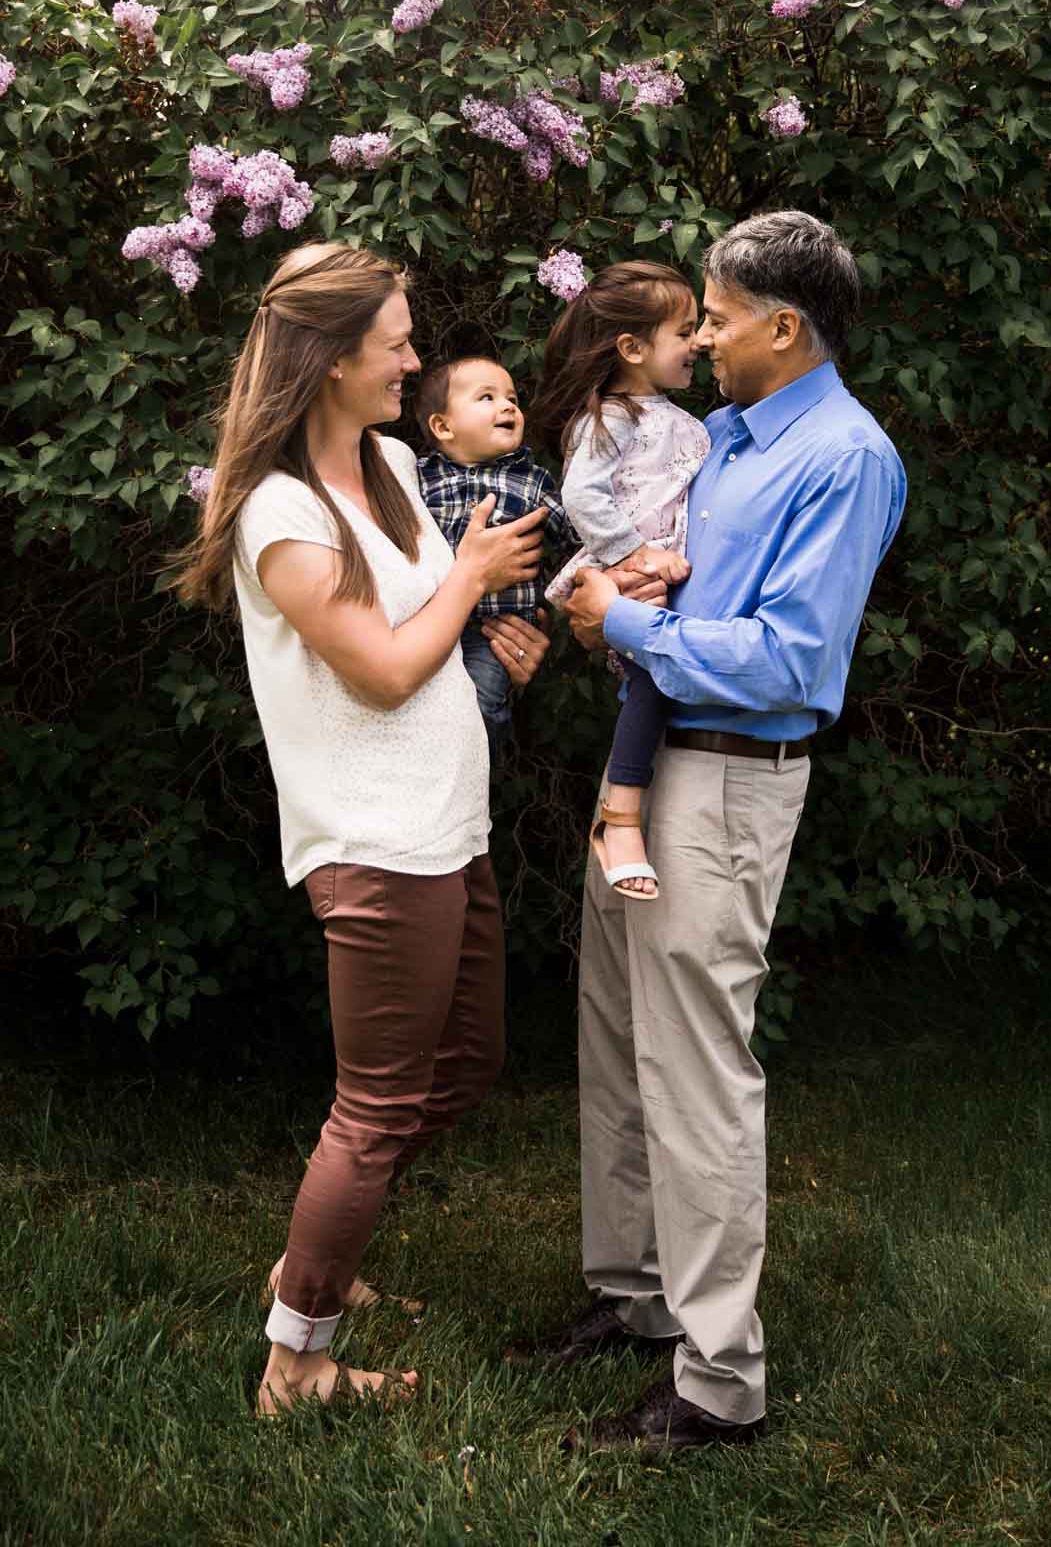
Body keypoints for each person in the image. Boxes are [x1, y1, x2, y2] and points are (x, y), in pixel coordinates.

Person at [533, 211, 908, 1457]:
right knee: (618, 1039)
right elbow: (670, 583)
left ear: (783, 325)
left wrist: (631, 629)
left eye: (718, 314)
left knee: (695, 1071)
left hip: (730, 776)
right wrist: (609, 608)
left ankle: (717, 1384)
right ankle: (636, 1297)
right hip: (651, 765)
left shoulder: (842, 457)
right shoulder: (730, 440)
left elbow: (792, 656)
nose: (702, 333)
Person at [174, 241, 554, 1416]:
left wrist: (497, 635)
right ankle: (299, 1358)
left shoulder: (387, 465)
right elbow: (385, 668)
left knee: (466, 1062)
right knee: (377, 1104)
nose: (412, 356)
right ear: (332, 358)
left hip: (448, 820)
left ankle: (313, 1265)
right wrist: (474, 577)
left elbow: (423, 630)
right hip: (374, 841)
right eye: (393, 339)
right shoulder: (278, 514)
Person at [531, 261, 711, 902]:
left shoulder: (678, 418)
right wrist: (635, 555)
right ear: (632, 348)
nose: (700, 343)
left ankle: (629, 810)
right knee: (651, 683)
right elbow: (583, 495)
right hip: (625, 567)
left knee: (656, 683)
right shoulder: (611, 416)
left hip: (659, 570)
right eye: (685, 331)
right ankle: (621, 820)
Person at [415, 353, 581, 764]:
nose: (507, 406)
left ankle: (468, 775)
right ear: (443, 426)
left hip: (497, 631)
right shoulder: (418, 478)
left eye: (511, 398)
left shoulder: (531, 480)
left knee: (480, 706)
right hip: (428, 623)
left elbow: (575, 535)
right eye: (486, 398)